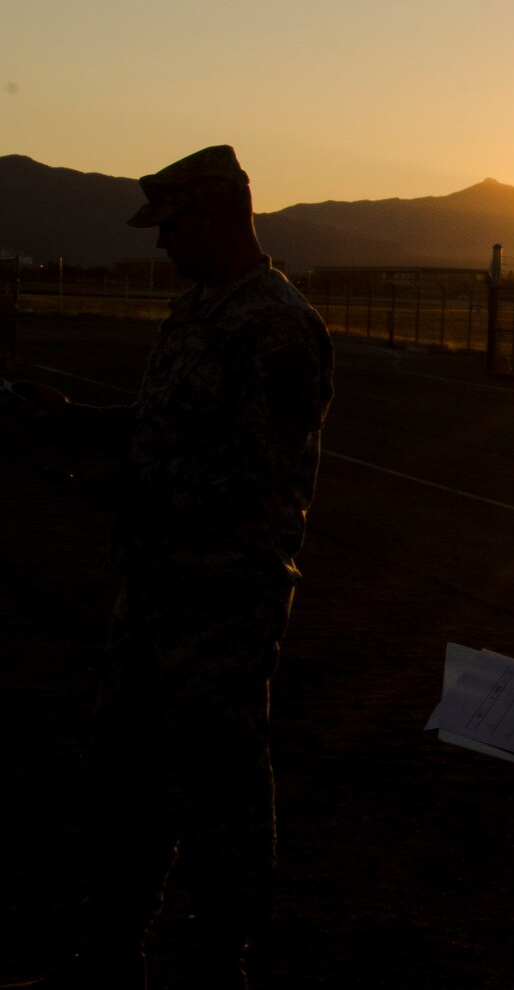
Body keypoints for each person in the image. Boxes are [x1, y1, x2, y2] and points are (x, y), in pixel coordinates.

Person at [1, 145, 335, 990]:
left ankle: (223, 968)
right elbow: (166, 426)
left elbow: (255, 470)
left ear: (219, 215)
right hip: (154, 587)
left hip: (224, 600)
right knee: (124, 783)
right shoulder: (200, 310)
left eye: (172, 224)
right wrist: (75, 420)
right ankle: (114, 960)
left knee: (219, 794)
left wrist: (136, 483)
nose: (162, 244)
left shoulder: (277, 324)